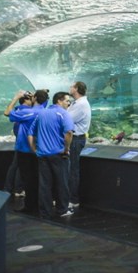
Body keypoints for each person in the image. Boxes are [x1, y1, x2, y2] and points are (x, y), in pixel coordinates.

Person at [30, 91, 75, 219]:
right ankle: (62, 210)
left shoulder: (41, 113)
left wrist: (34, 149)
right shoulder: (63, 114)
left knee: (44, 184)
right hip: (58, 154)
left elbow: (31, 133)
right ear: (59, 101)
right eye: (67, 101)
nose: (68, 103)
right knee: (62, 183)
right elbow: (69, 133)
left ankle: (45, 211)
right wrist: (66, 149)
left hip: (42, 154)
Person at [5, 89, 39, 214]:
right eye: (31, 97)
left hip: (22, 147)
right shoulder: (26, 111)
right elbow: (7, 112)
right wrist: (16, 96)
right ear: (26, 99)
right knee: (28, 176)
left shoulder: (21, 110)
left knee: (18, 169)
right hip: (28, 148)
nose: (34, 99)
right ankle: (24, 197)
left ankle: (11, 190)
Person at [67, 80, 92, 209]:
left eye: (71, 86)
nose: (70, 88)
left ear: (76, 89)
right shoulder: (77, 103)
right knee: (71, 169)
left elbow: (66, 119)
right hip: (74, 139)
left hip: (75, 139)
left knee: (73, 170)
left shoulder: (80, 104)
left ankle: (73, 199)